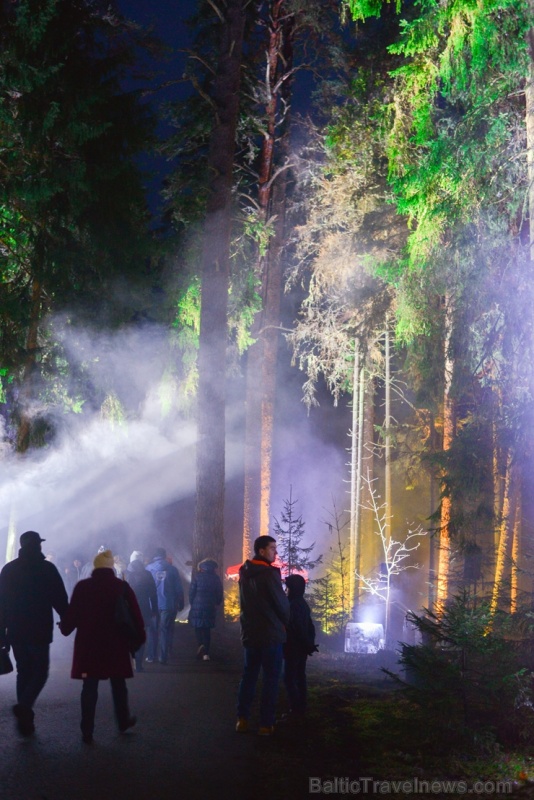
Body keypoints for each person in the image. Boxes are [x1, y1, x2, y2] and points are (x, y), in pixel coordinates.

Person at [59, 549, 145, 744]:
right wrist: (139, 637)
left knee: (89, 686)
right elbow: (135, 614)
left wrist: (64, 628)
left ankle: (87, 729)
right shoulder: (121, 587)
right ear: (111, 567)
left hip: (89, 644)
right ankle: (123, 721)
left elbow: (72, 614)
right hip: (116, 644)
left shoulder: (83, 587)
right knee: (118, 684)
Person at [0, 530, 69, 735]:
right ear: (38, 546)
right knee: (40, 672)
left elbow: (1, 604)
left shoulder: (9, 570)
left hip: (16, 630)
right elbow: (59, 598)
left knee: (24, 671)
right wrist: (67, 620)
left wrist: (2, 633)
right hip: (39, 629)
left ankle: (25, 717)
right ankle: (24, 708)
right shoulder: (46, 568)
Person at [236, 535, 290, 736]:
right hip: (271, 635)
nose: (275, 552)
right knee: (270, 679)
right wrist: (287, 623)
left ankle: (242, 719)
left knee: (249, 676)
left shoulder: (245, 572)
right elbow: (281, 604)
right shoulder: (269, 574)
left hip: (251, 633)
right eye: (272, 548)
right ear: (261, 551)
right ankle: (266, 723)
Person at [283, 574, 318, 723]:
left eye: (288, 587)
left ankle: (295, 709)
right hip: (301, 647)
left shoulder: (294, 605)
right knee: (299, 676)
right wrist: (309, 643)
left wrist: (305, 643)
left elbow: (297, 628)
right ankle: (301, 708)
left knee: (290, 678)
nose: (286, 590)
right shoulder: (302, 604)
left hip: (294, 647)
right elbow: (309, 627)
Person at [145, 547, 184, 664]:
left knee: (152, 630)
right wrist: (181, 602)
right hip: (168, 604)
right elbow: (178, 588)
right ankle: (163, 656)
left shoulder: (148, 569)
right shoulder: (172, 570)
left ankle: (151, 656)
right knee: (164, 630)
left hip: (152, 604)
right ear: (164, 556)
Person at [125, 550, 157, 672]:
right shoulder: (147, 574)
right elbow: (153, 593)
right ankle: (138, 663)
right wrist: (154, 609)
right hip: (143, 608)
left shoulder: (124, 574)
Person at [188, 558, 223, 662]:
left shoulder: (197, 577)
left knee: (198, 628)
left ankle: (200, 645)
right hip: (210, 606)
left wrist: (193, 603)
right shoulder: (216, 578)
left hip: (197, 605)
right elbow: (219, 592)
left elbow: (191, 592)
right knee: (207, 630)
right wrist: (217, 603)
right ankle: (206, 654)